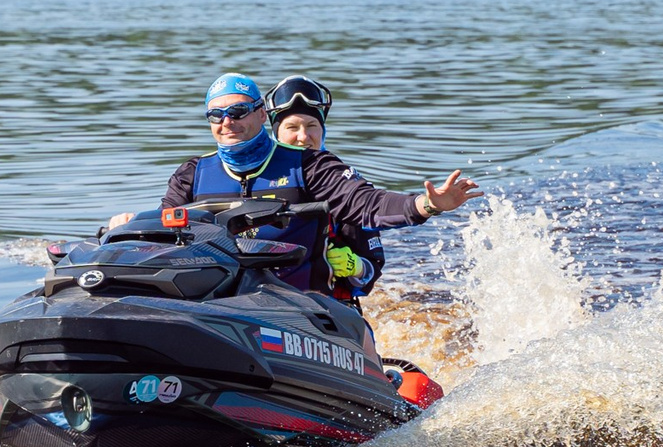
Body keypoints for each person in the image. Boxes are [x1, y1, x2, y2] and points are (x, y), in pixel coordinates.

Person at [162, 73, 478, 297]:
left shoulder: (312, 165)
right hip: (219, 305)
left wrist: (428, 204)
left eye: (237, 111)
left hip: (305, 308)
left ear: (260, 115)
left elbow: (366, 205)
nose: (227, 122)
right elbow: (161, 233)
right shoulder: (193, 173)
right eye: (216, 115)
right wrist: (126, 229)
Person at [264, 75, 387, 299]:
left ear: (323, 130)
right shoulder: (255, 179)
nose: (303, 137)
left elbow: (373, 267)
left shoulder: (341, 185)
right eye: (292, 127)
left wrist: (357, 267)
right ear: (276, 133)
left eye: (312, 126)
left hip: (327, 308)